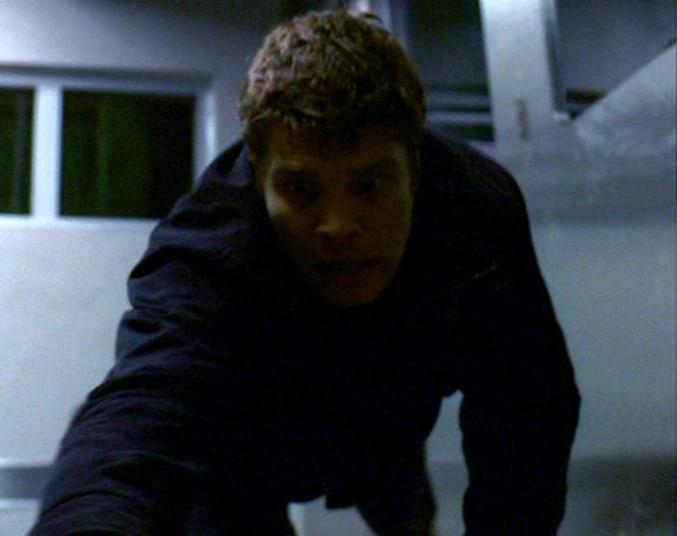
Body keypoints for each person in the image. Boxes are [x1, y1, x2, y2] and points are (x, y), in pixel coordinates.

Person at [30, 10, 580, 535]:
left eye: (368, 185)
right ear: (257, 167)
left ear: (416, 162)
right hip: (243, 451)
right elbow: (143, 414)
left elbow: (527, 404)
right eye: (300, 188)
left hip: (388, 427)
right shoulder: (209, 251)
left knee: (407, 509)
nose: (337, 227)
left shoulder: (476, 212)